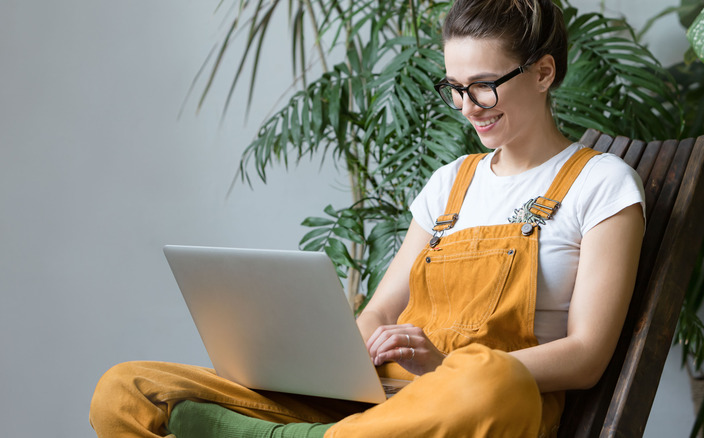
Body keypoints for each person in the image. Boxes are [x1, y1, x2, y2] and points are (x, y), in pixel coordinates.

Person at [89, 0, 645, 436]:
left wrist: (448, 366)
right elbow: (381, 306)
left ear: (544, 71)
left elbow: (586, 356)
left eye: (483, 84)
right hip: (383, 403)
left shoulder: (600, 184)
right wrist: (331, 370)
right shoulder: (450, 183)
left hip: (474, 410)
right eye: (454, 87)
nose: (468, 106)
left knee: (492, 381)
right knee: (127, 389)